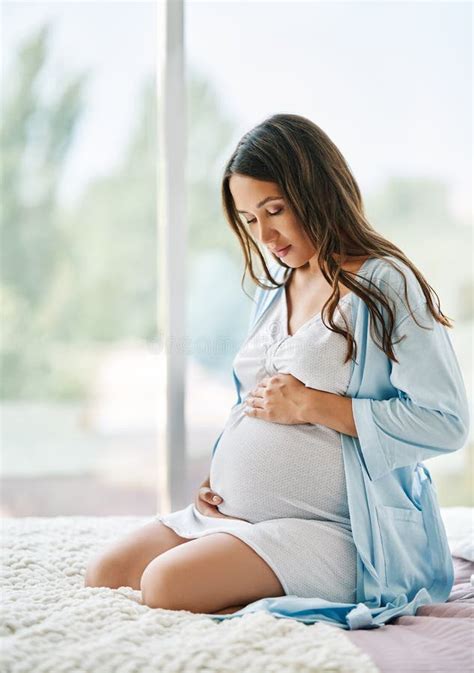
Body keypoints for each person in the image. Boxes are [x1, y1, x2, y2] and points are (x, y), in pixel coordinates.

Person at [84, 113, 469, 628]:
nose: (264, 234)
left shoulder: (385, 285)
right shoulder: (274, 290)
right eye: (249, 219)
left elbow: (446, 423)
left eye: (275, 210)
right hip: (237, 515)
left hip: (332, 529)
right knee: (107, 571)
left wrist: (316, 404)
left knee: (164, 584)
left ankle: (267, 587)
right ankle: (232, 560)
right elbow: (256, 401)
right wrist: (218, 472)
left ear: (317, 191)